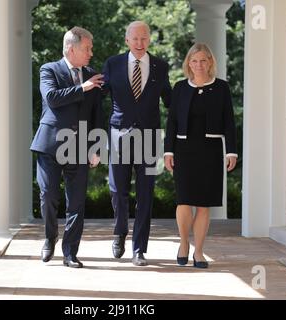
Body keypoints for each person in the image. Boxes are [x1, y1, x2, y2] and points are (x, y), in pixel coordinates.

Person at [30, 27, 104, 268]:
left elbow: (97, 115)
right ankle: (50, 237)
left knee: (77, 203)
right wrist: (83, 87)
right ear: (72, 49)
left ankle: (70, 252)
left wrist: (96, 147)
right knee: (48, 195)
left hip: (80, 146)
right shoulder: (49, 69)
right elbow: (52, 98)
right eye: (87, 48)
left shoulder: (93, 75)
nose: (91, 52)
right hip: (50, 144)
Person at [103, 21, 172, 266]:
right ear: (127, 41)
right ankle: (120, 232)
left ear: (149, 40)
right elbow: (98, 97)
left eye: (144, 38)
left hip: (150, 139)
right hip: (118, 135)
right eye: (135, 39)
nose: (140, 43)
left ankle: (139, 249)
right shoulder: (112, 64)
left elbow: (170, 102)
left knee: (146, 194)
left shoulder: (161, 67)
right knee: (116, 190)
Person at [164, 43, 237, 268]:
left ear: (210, 62)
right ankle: (184, 243)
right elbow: (172, 122)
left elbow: (229, 122)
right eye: (194, 61)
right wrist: (168, 151)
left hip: (211, 150)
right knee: (184, 201)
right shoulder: (180, 88)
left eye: (203, 60)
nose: (198, 65)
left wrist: (231, 151)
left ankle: (199, 252)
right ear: (188, 63)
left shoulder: (222, 88)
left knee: (204, 204)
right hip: (184, 150)